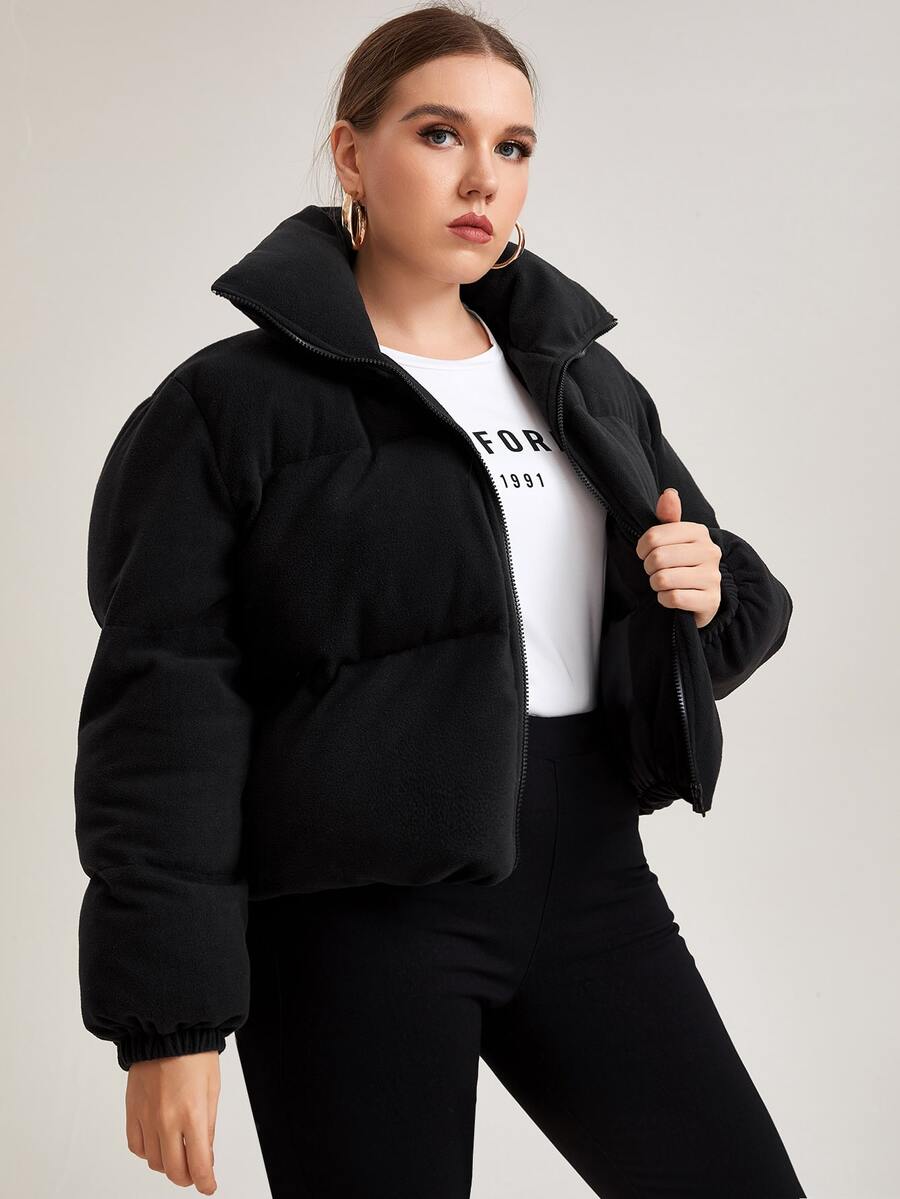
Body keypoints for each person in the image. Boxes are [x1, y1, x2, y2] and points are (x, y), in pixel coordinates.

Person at [73, 4, 805, 1196]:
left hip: (592, 885)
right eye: (438, 133)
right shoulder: (228, 406)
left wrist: (700, 588)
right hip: (352, 922)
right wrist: (170, 1019)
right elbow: (163, 716)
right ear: (352, 154)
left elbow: (718, 604)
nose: (482, 178)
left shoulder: (579, 378)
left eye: (513, 146)